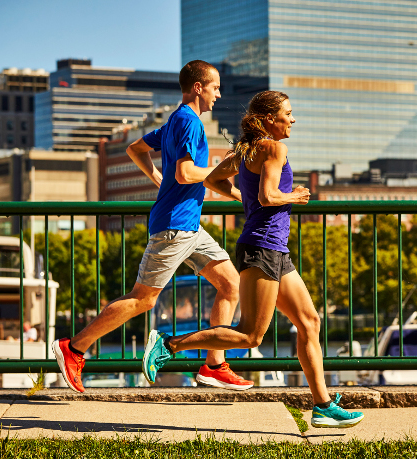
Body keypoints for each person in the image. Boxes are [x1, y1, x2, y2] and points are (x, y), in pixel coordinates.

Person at [142, 91, 364, 428]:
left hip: (273, 250)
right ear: (268, 120)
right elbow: (268, 195)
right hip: (262, 249)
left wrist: (243, 198)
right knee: (250, 336)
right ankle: (168, 344)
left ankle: (322, 405)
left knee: (310, 323)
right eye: (287, 114)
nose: (293, 119)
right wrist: (295, 196)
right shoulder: (275, 148)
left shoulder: (246, 150)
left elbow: (215, 179)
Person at [52, 60, 253, 393]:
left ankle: (214, 365)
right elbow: (187, 174)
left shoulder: (174, 120)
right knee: (142, 300)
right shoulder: (190, 123)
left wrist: (236, 195)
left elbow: (136, 149)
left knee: (231, 285)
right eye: (215, 87)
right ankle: (73, 348)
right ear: (199, 87)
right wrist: (216, 170)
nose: (219, 94)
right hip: (174, 228)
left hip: (189, 226)